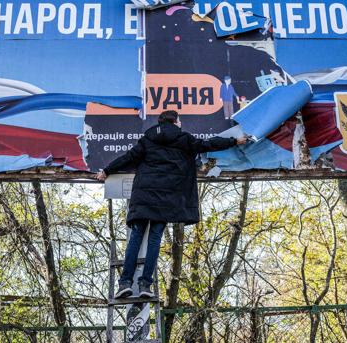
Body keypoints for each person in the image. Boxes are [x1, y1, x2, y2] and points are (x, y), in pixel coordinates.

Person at [96, 110, 247, 299]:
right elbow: (208, 144)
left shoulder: (148, 139)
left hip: (144, 193)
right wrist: (234, 141)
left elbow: (128, 158)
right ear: (176, 122)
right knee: (154, 239)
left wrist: (107, 170)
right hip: (166, 198)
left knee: (136, 236)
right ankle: (145, 285)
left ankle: (125, 283)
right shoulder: (184, 139)